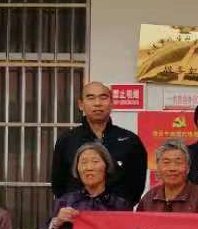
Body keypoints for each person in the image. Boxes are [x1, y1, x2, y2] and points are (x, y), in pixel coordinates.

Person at [50, 80, 148, 209]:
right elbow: (58, 185)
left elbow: (136, 186)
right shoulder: (67, 140)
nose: (97, 103)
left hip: (117, 214)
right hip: (76, 214)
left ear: (111, 103)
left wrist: (118, 205)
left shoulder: (130, 140)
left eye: (103, 97)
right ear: (81, 104)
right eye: (91, 98)